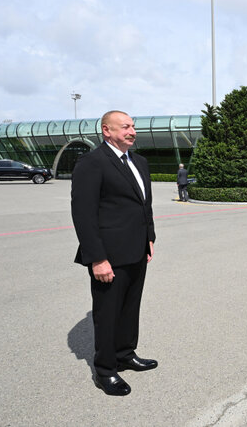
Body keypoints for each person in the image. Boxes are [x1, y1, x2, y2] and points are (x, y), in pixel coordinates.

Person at [71, 110, 158, 396]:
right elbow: (83, 215)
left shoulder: (139, 162)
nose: (132, 131)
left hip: (137, 250)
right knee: (107, 313)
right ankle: (106, 370)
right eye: (125, 127)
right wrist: (97, 258)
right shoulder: (92, 163)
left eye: (133, 126)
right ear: (107, 131)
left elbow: (145, 205)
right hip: (108, 255)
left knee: (130, 307)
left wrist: (149, 238)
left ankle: (125, 354)